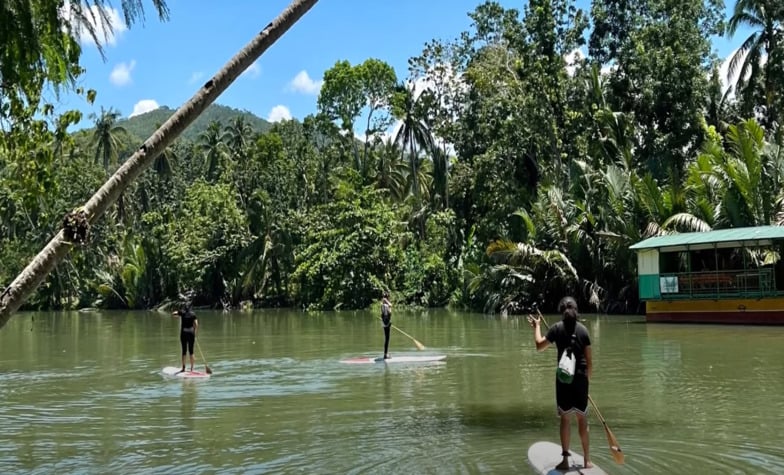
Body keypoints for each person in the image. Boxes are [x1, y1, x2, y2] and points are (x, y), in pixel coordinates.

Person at [528, 296, 593, 470]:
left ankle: (565, 461)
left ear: (562, 312)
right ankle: (586, 461)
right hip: (580, 380)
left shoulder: (556, 329)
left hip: (564, 380)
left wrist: (538, 327)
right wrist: (586, 383)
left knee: (565, 419)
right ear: (576, 311)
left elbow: (539, 346)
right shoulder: (584, 331)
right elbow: (589, 362)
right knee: (582, 418)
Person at [173, 302, 198, 373]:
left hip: (183, 333)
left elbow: (174, 314)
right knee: (191, 351)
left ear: (185, 308)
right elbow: (196, 324)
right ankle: (192, 369)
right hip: (191, 333)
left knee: (184, 351)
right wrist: (195, 334)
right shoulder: (193, 314)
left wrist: (178, 313)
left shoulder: (182, 313)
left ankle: (183, 368)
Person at [381, 292, 393, 359]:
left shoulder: (382, 305)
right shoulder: (385, 305)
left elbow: (383, 315)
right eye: (388, 297)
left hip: (385, 322)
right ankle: (385, 355)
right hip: (386, 323)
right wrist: (388, 323)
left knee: (386, 339)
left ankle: (385, 354)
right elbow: (388, 313)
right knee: (387, 339)